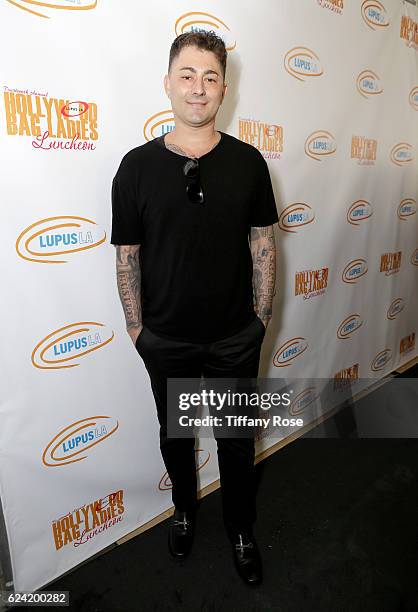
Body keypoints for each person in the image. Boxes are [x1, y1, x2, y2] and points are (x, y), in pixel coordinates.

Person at [111, 30, 278, 586]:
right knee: (175, 436)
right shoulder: (134, 168)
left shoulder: (250, 163)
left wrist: (261, 319)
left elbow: (262, 244)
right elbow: (127, 256)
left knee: (235, 440)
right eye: (187, 75)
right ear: (168, 84)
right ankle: (184, 511)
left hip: (235, 336)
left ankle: (240, 527)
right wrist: (139, 329)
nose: (198, 88)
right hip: (166, 337)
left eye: (210, 77)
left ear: (224, 88)